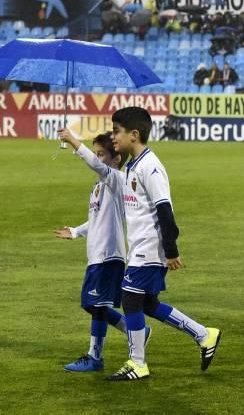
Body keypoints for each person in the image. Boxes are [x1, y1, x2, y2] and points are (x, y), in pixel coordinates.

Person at [105, 107, 221, 381]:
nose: (113, 136)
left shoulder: (150, 166)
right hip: (140, 248)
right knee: (146, 304)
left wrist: (170, 250)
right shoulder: (133, 164)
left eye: (116, 131)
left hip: (150, 249)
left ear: (134, 135)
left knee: (130, 299)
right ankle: (204, 335)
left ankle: (137, 363)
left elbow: (164, 210)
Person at [54, 130, 140, 373]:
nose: (98, 159)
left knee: (94, 304)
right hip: (97, 256)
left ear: (116, 160)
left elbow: (93, 163)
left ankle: (96, 356)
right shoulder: (100, 186)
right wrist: (76, 231)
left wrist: (74, 143)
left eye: (102, 154)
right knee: (96, 304)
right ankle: (134, 332)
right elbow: (96, 219)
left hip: (108, 255)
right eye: (97, 154)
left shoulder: (116, 179)